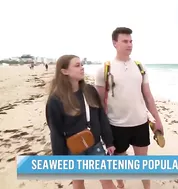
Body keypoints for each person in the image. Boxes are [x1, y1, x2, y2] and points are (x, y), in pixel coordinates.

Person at [94, 27, 164, 189]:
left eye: (131, 41)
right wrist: (103, 130)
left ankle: (147, 187)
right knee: (118, 162)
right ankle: (120, 184)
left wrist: (157, 120)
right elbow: (100, 103)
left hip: (140, 123)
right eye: (125, 41)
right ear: (115, 43)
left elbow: (148, 96)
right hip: (116, 125)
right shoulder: (104, 69)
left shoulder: (140, 67)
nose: (129, 44)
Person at [46, 54, 118, 189]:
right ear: (64, 71)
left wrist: (109, 142)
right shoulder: (55, 99)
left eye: (82, 64)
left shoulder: (89, 91)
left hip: (95, 145)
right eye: (77, 65)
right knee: (78, 182)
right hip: (74, 149)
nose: (82, 68)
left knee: (107, 180)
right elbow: (55, 131)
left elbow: (101, 118)